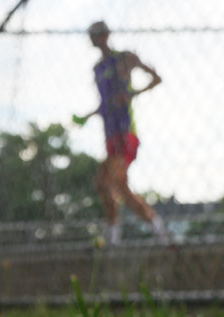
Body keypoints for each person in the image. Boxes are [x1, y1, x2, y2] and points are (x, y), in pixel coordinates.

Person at [77, 20, 167, 244]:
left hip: (125, 131)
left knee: (110, 181)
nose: (94, 39)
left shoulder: (124, 58)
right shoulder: (97, 69)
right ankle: (154, 229)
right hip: (109, 133)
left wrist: (132, 93)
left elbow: (156, 78)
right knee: (113, 184)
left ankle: (119, 236)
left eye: (97, 34)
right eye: (92, 35)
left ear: (106, 35)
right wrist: (88, 116)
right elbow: (105, 103)